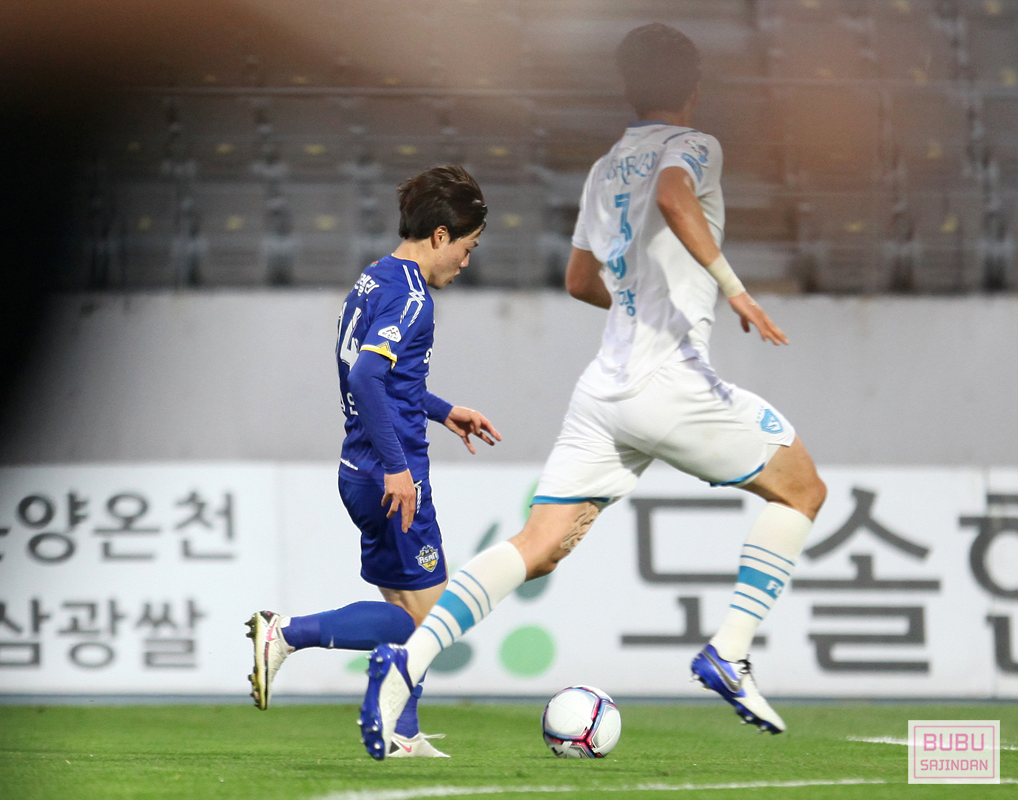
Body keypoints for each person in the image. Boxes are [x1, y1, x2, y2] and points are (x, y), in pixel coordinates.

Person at [357, 23, 827, 760]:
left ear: (627, 89)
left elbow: (580, 280)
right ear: (695, 86)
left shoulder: (606, 168)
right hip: (670, 381)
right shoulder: (695, 145)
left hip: (604, 391)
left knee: (537, 546)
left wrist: (640, 305)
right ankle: (730, 651)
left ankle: (407, 663)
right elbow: (673, 194)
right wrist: (731, 289)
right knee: (802, 491)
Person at [246, 165, 501, 758]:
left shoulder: (374, 279)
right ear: (440, 235)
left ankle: (402, 733)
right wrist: (398, 468)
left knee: (408, 611)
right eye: (467, 248)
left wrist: (443, 411)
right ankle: (285, 634)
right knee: (430, 623)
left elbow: (386, 379)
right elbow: (365, 376)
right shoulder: (413, 299)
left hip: (360, 471)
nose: (466, 262)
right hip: (392, 477)